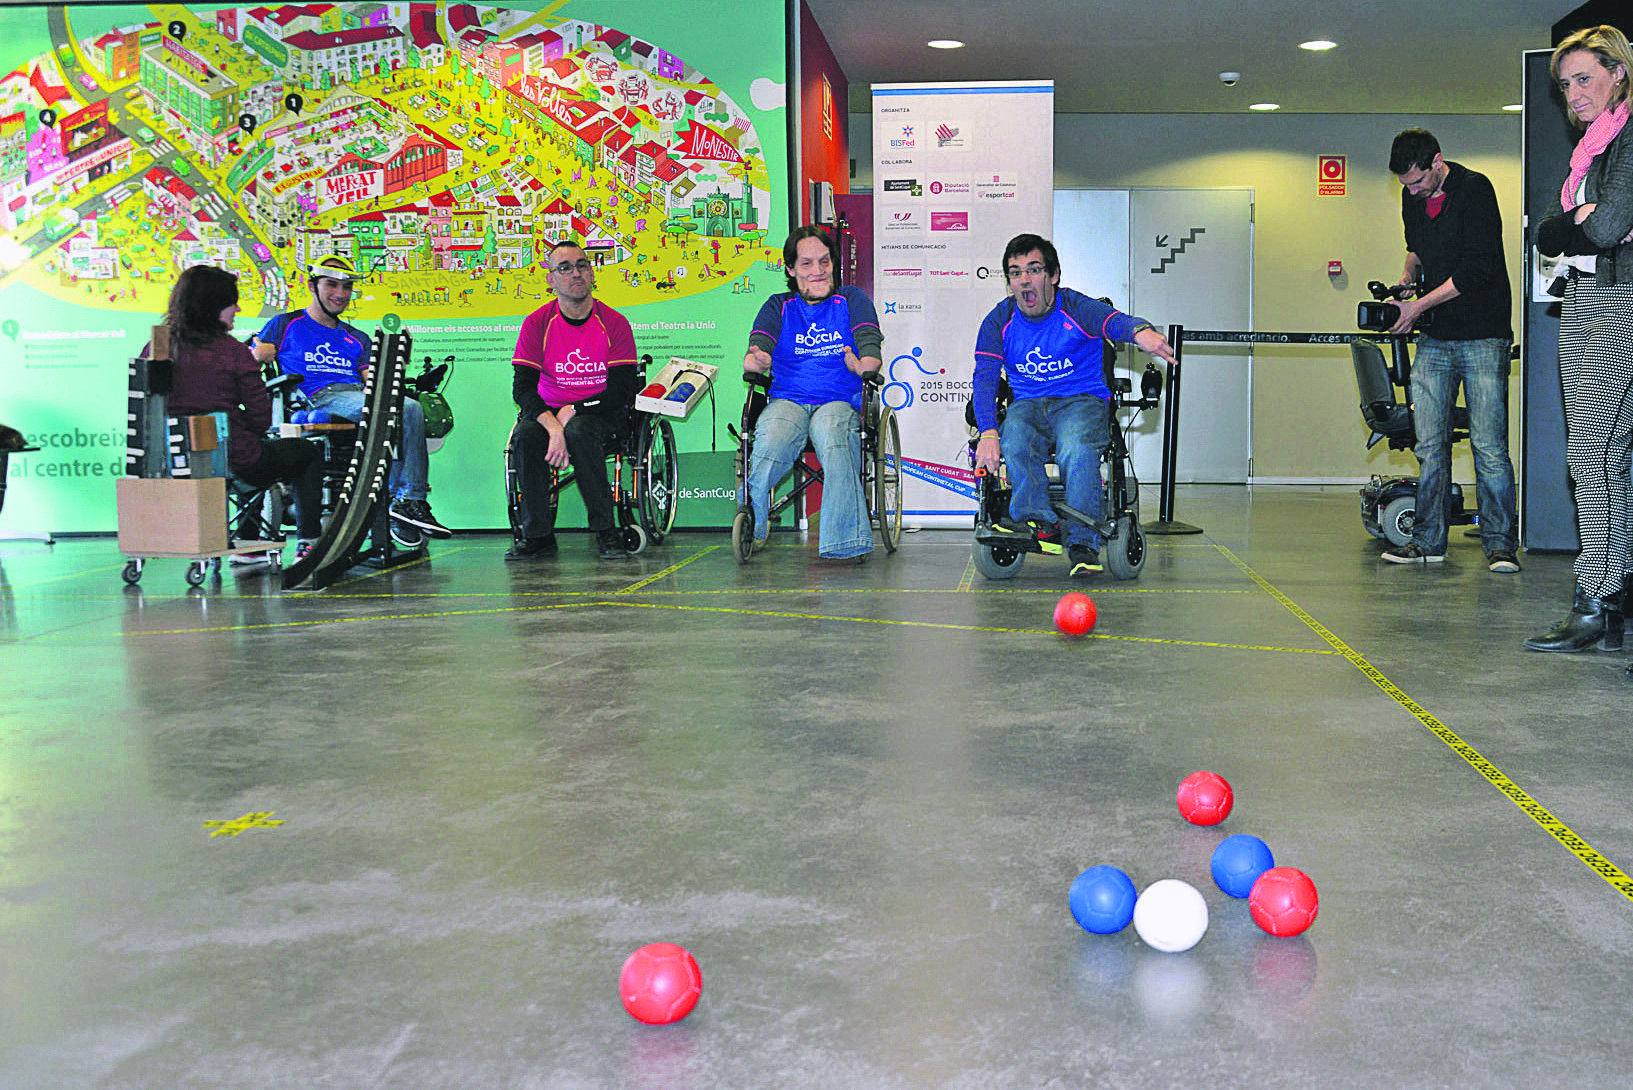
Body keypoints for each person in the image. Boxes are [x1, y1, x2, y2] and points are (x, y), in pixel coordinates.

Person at [971, 233, 1177, 579]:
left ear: (1052, 276)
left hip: (1081, 400)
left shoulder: (1076, 307)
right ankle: (1040, 523)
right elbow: (986, 378)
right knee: (1015, 438)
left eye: (1033, 270)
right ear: (1009, 281)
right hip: (1029, 403)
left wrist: (1141, 332)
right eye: (1015, 272)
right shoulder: (998, 320)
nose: (1024, 280)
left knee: (1076, 448)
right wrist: (988, 432)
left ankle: (1082, 541)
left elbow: (1116, 321)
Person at [1524, 25, 1633, 660]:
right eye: (1565, 84)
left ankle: (1593, 602)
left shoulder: (1625, 142)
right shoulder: (1593, 149)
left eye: (1584, 78)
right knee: (1608, 461)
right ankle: (1609, 600)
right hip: (1593, 299)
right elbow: (1552, 230)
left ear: (1619, 72)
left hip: (1612, 305)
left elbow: (1612, 223)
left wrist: (1577, 228)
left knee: (1591, 461)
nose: (1573, 93)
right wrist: (1575, 226)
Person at [1380, 128, 1520, 572]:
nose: (1414, 191)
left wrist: (1418, 306)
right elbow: (1417, 249)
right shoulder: (1412, 197)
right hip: (1436, 340)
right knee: (1430, 445)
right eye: (1407, 186)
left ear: (1437, 162)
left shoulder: (1476, 189)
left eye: (1419, 181)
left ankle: (1500, 546)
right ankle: (1427, 543)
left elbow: (1477, 270)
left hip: (1482, 334)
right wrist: (1405, 283)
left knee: (1488, 446)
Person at [251, 255, 450, 547]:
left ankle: (404, 501)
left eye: (346, 287)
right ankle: (405, 501)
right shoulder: (286, 324)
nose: (341, 294)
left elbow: (376, 379)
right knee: (397, 409)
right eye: (332, 285)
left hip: (357, 397)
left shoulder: (356, 337)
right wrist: (258, 355)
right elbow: (256, 358)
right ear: (312, 286)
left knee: (406, 406)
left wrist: (397, 363)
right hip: (317, 399)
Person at [159, 264, 324, 562]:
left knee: (239, 450)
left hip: (176, 460)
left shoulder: (157, 348)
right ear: (213, 307)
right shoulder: (233, 352)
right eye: (231, 302)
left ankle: (248, 541)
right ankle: (309, 543)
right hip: (235, 460)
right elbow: (261, 418)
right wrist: (242, 432)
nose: (237, 308)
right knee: (303, 453)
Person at [742, 224, 882, 560]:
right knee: (772, 436)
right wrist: (757, 357)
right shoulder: (778, 306)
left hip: (839, 401)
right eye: (806, 263)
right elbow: (759, 346)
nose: (817, 271)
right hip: (788, 399)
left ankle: (845, 541)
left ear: (833, 263)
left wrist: (863, 364)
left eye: (824, 261)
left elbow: (870, 347)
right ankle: (754, 522)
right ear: (790, 269)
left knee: (830, 430)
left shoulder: (852, 300)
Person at [507, 240, 641, 560]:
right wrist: (554, 426)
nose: (576, 273)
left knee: (580, 430)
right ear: (551, 279)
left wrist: (573, 411)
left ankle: (606, 532)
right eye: (565, 268)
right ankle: (537, 535)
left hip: (601, 410)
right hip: (550, 411)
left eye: (582, 265)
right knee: (526, 436)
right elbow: (523, 389)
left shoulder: (615, 323)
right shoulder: (537, 323)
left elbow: (621, 390)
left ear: (592, 274)